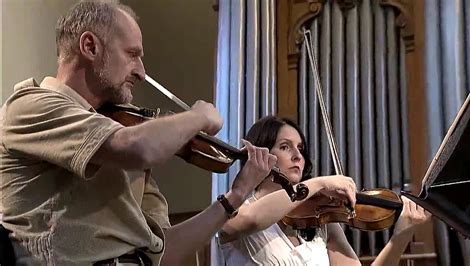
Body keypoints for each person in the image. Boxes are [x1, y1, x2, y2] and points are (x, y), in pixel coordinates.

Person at [0, 1, 285, 265]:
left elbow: (165, 251)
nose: (141, 71)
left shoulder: (121, 130)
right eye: (132, 54)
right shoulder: (31, 105)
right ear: (89, 46)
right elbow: (137, 148)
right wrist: (197, 116)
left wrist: (237, 195)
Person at [219, 116, 431, 266]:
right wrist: (319, 184)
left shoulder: (320, 222)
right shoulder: (233, 210)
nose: (298, 156)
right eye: (285, 147)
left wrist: (401, 236)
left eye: (300, 148)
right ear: (262, 153)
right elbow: (252, 220)